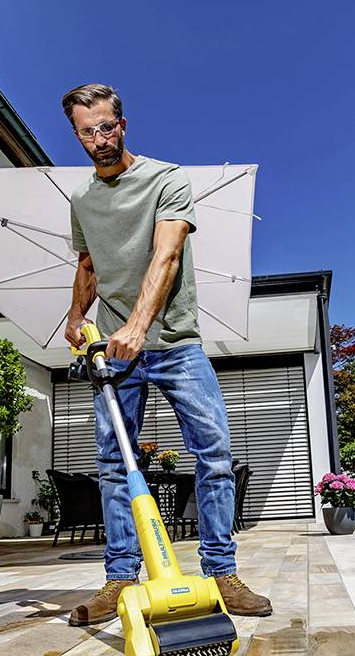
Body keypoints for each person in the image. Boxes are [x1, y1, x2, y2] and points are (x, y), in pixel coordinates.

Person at [59, 84, 273, 626]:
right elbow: (89, 264)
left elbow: (168, 252)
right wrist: (76, 316)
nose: (99, 139)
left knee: (215, 454)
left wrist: (138, 325)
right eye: (88, 131)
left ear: (123, 123)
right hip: (112, 349)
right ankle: (120, 580)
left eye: (107, 127)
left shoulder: (167, 178)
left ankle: (221, 574)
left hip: (175, 344)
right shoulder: (82, 200)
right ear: (77, 133)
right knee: (113, 464)